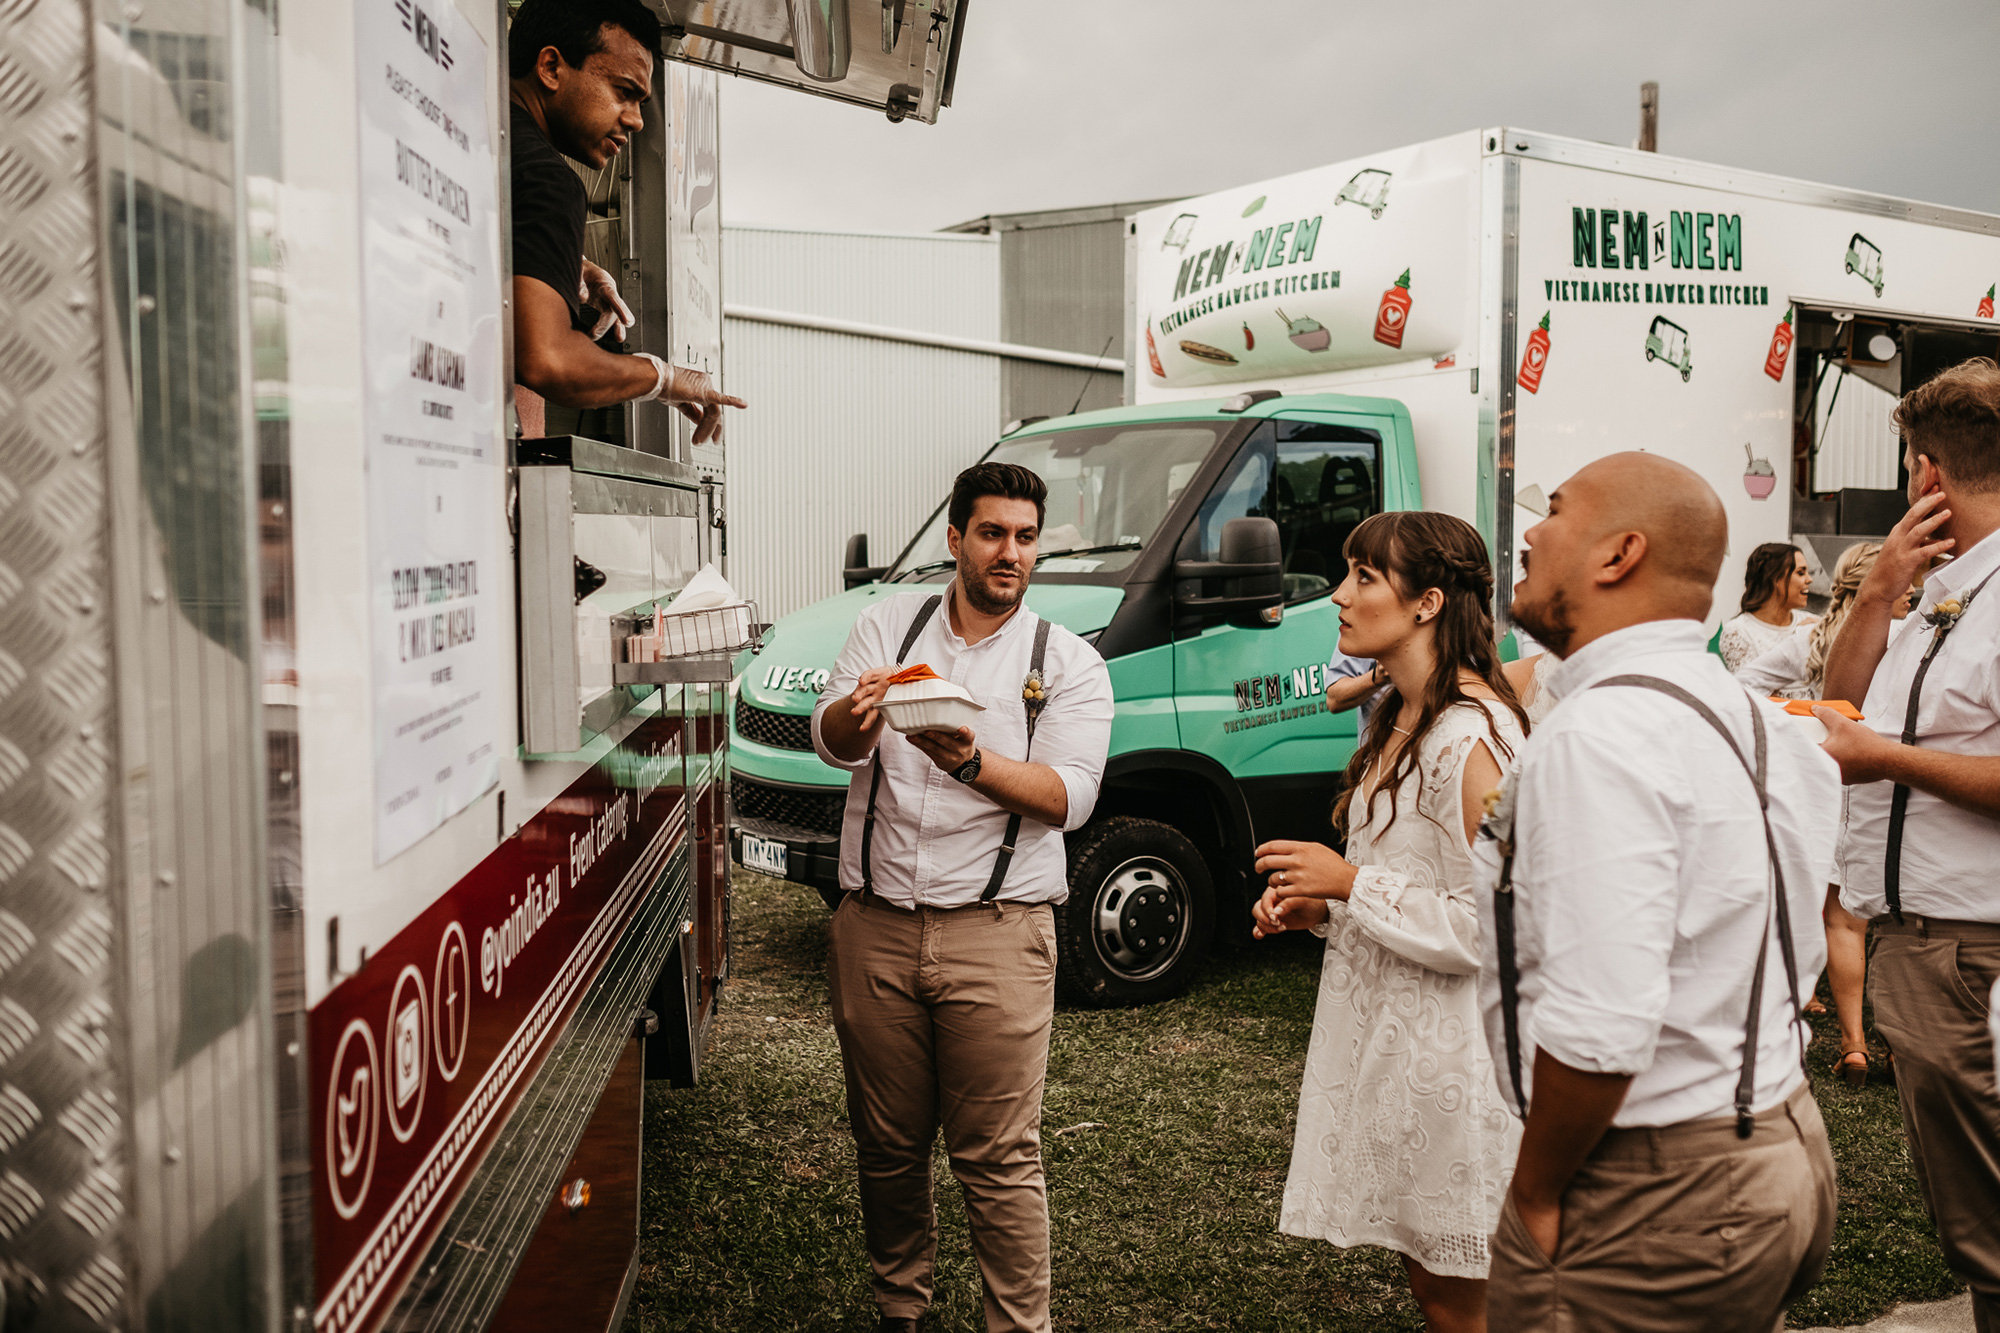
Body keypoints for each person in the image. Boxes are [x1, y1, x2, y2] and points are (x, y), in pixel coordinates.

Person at [1478, 452, 1841, 1332]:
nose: (1528, 533)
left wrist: (1533, 1189)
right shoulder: (1760, 719)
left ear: (1618, 554)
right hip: (1782, 1139)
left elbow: (1602, 1025)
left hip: (1655, 1184)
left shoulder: (1600, 734)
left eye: (1554, 511)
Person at [811, 463, 1115, 1333]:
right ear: (955, 540)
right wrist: (858, 718)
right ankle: (898, 1309)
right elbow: (830, 739)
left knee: (999, 1158)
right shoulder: (885, 624)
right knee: (888, 1147)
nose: (1009, 552)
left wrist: (968, 760)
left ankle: (1017, 1327)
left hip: (999, 933)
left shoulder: (1066, 660)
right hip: (874, 928)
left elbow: (1070, 796)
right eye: (992, 533)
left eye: (1025, 536)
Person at [1252, 512, 1529, 1333]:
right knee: (1435, 1285)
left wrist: (1350, 879)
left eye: (1363, 577)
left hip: (1464, 1065)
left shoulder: (1471, 737)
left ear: (1428, 602)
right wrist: (1326, 905)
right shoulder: (1397, 716)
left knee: (1465, 1298)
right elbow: (1416, 883)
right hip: (1403, 1051)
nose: (1339, 595)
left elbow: (1504, 924)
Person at [1816, 357, 2000, 1333]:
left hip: (1971, 948)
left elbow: (1863, 742)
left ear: (1924, 474)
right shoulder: (1941, 588)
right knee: (1970, 1222)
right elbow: (1841, 712)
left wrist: (1879, 753)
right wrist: (1877, 588)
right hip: (1920, 942)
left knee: (1989, 1228)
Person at [507, 1, 744, 439]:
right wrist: (663, 378)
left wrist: (570, 265)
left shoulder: (479, 139)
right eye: (623, 91)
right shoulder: (548, 180)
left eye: (641, 101)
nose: (635, 121)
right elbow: (550, 360)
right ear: (551, 66)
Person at [1737, 542, 1907, 1077]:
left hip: (1822, 783)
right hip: (1882, 786)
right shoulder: (1909, 635)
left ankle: (1851, 1040)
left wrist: (1803, 720)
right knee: (1889, 917)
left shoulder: (1813, 634)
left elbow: (1743, 687)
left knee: (1834, 917)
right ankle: (1900, 1038)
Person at [1717, 541, 1817, 672]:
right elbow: (1752, 688)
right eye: (1800, 573)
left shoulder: (1813, 624)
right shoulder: (1738, 632)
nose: (1809, 579)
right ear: (1775, 578)